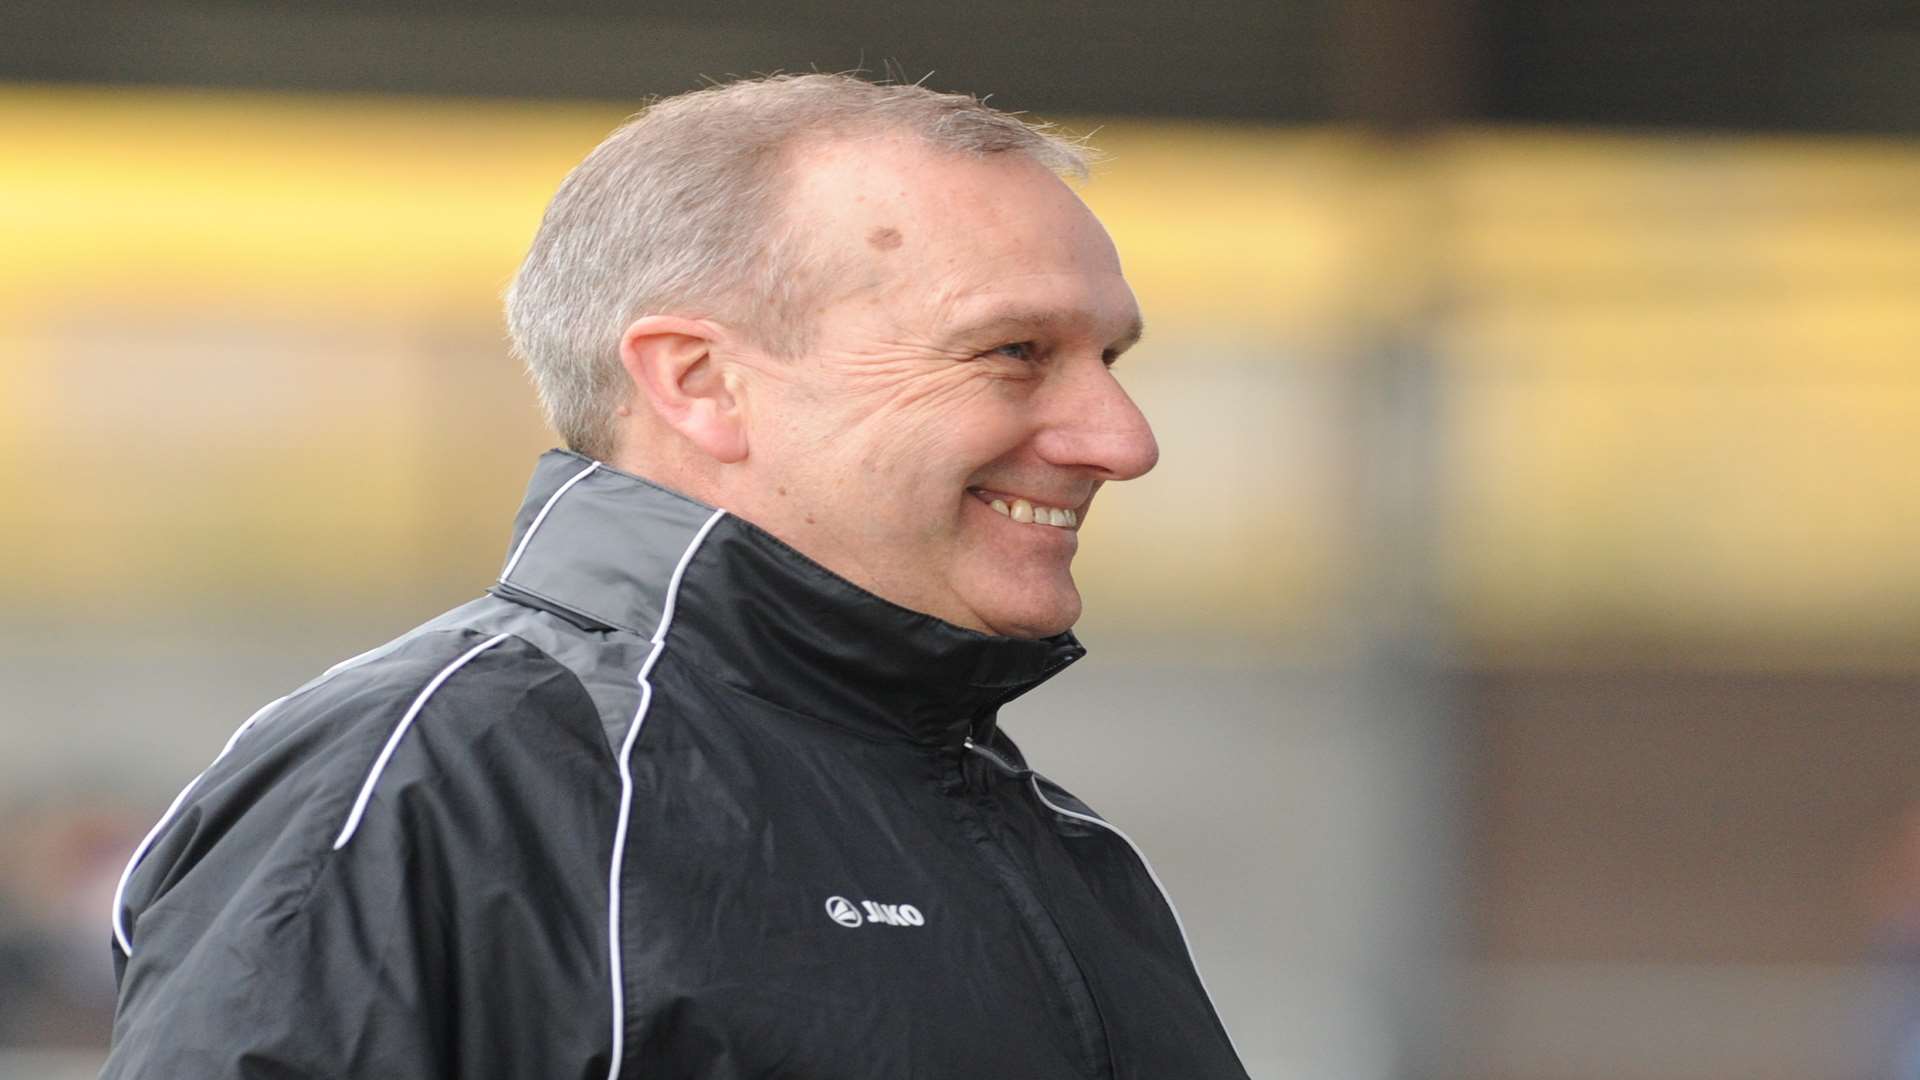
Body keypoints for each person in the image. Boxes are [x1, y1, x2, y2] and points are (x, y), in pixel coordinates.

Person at [102, 73, 1249, 1079]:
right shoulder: (433, 780)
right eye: (1015, 353)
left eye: (1109, 359)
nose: (1121, 439)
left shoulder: (1060, 841)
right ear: (699, 382)